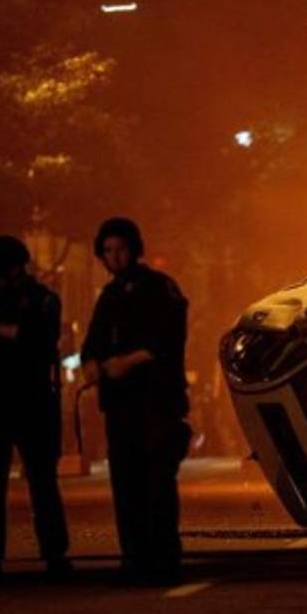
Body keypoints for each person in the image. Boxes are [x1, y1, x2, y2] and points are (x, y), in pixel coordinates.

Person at [81, 218, 191, 585]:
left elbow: (165, 342)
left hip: (156, 402)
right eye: (108, 251)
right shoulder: (109, 296)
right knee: (126, 484)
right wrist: (93, 365)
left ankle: (164, 557)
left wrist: (125, 363)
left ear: (135, 248)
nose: (115, 257)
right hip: (120, 406)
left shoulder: (160, 288)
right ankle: (134, 556)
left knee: (158, 482)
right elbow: (92, 346)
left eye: (121, 249)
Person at [0, 235, 70, 581]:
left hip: (32, 399)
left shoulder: (43, 301)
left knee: (41, 481)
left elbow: (37, 339)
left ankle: (54, 552)